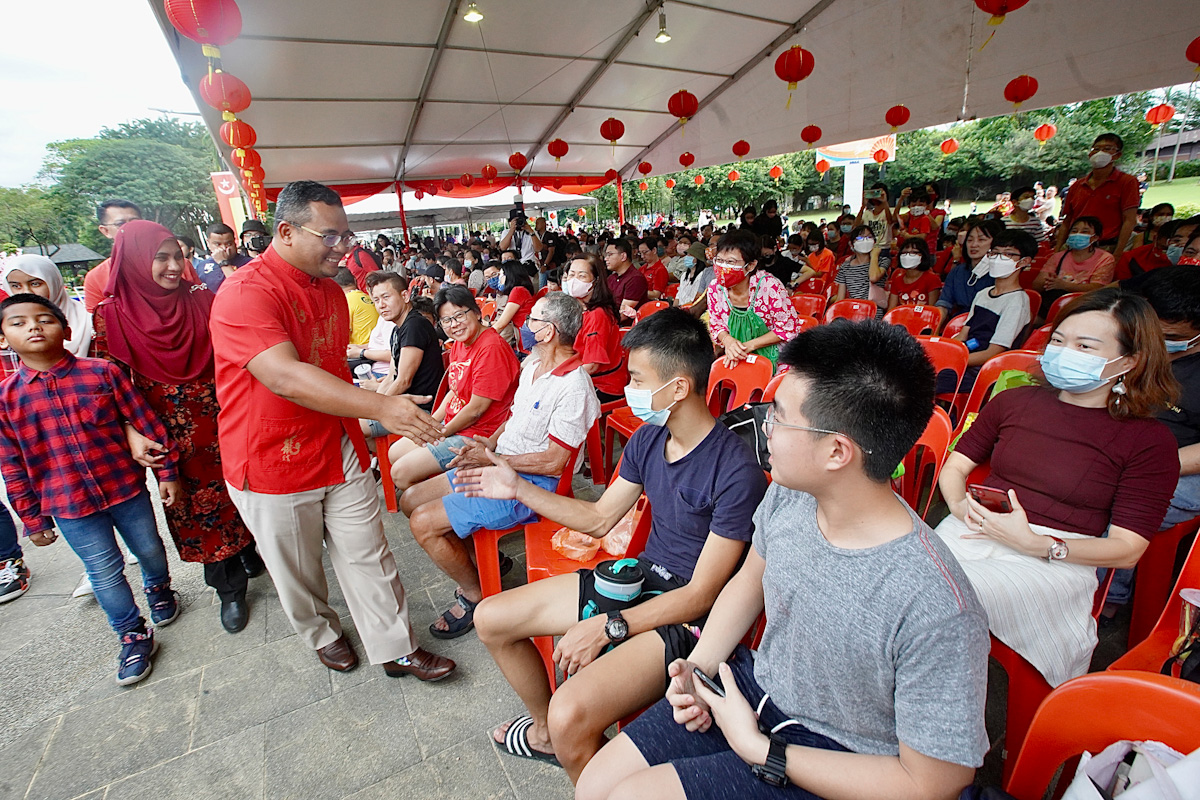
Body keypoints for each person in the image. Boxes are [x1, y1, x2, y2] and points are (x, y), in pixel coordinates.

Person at [576, 320, 989, 800]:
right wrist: (699, 667)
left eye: (778, 416)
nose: (762, 426)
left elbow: (935, 782)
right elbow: (749, 582)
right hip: (754, 691)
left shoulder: (937, 605)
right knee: (595, 787)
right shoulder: (792, 497)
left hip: (844, 755)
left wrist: (761, 749)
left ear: (837, 450)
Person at [454, 307, 768, 780]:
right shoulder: (648, 439)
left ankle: (585, 760)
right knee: (491, 618)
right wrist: (517, 487)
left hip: (691, 620)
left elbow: (702, 595)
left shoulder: (735, 471)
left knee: (571, 715)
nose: (630, 389)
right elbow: (599, 519)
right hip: (639, 581)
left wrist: (610, 626)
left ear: (678, 387)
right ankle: (545, 735)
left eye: (638, 379)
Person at [208, 180, 455, 680]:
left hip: (336, 443)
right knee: (297, 571)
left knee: (369, 552)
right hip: (271, 454)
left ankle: (397, 646)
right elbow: (284, 375)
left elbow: (332, 366)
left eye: (347, 236)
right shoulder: (243, 293)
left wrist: (367, 413)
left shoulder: (333, 293)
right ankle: (323, 632)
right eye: (331, 236)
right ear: (286, 231)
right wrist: (381, 408)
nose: (344, 248)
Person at [935, 288, 1178, 686]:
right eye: (1059, 341)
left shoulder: (1148, 442)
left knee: (937, 595)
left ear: (1129, 360)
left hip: (1056, 559)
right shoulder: (1013, 401)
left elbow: (1128, 549)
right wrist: (962, 508)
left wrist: (1038, 544)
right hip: (974, 528)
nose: (1065, 353)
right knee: (895, 575)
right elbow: (955, 467)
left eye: (1085, 346)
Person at [0, 293, 183, 685]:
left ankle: (160, 588)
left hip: (124, 489)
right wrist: (32, 519)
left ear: (66, 330)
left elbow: (144, 421)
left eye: (43, 319)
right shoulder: (6, 398)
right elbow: (11, 463)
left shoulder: (102, 373)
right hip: (68, 505)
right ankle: (132, 634)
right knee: (103, 570)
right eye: (18, 322)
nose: (33, 327)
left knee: (149, 548)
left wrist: (167, 472)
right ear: (3, 339)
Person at [401, 292, 601, 639]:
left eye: (533, 319)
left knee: (423, 522)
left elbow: (554, 463)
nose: (525, 324)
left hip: (528, 484)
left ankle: (475, 594)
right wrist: (487, 444)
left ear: (549, 331)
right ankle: (479, 562)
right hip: (499, 463)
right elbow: (514, 417)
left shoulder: (573, 386)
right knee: (410, 499)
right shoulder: (533, 364)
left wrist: (493, 459)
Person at [95, 220, 262, 633]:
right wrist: (132, 432)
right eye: (160, 258)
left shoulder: (203, 300)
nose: (173, 266)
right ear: (132, 262)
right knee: (197, 509)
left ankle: (249, 549)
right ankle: (229, 590)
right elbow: (109, 385)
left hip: (227, 417)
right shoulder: (110, 317)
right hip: (169, 436)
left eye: (177, 256)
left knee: (245, 490)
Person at [388, 285, 519, 492]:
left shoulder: (491, 347)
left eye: (459, 315)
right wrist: (433, 425)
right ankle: (440, 489)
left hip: (478, 433)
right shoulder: (460, 342)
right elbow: (454, 392)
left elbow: (476, 410)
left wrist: (440, 433)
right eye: (446, 320)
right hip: (456, 424)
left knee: (401, 473)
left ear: (476, 312)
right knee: (394, 453)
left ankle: (448, 506)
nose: (454, 325)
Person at [944, 230, 1035, 393]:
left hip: (985, 370)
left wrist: (955, 360)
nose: (998, 259)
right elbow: (963, 335)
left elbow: (993, 353)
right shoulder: (982, 294)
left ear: (1024, 261)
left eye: (1007, 254)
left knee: (921, 380)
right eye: (995, 253)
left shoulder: (1017, 301)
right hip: (967, 360)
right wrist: (945, 354)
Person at [359, 272, 445, 442]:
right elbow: (392, 375)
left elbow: (403, 380)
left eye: (386, 297)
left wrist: (378, 408)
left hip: (419, 409)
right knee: (352, 418)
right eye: (376, 300)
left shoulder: (415, 325)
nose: (381, 305)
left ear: (405, 296)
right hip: (401, 403)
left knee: (350, 428)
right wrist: (375, 404)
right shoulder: (398, 329)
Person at [707, 230, 801, 369]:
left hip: (775, 358)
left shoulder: (770, 287)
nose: (723, 267)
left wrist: (749, 345)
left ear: (750, 265)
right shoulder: (715, 288)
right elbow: (716, 323)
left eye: (730, 262)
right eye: (720, 261)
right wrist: (728, 341)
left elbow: (787, 327)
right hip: (736, 357)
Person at [1056, 133, 1140, 256]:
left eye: (1107, 149)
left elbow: (1129, 220)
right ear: (1090, 154)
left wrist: (1117, 254)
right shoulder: (1077, 186)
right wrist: (1057, 250)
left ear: (1117, 155)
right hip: (1073, 247)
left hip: (1106, 247)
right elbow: (1067, 221)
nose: (1100, 153)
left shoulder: (1127, 182)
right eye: (1096, 149)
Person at [563, 254, 628, 403]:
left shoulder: (598, 315)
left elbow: (592, 366)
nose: (574, 281)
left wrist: (561, 380)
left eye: (582, 276)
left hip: (603, 385)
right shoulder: (579, 309)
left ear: (596, 280)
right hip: (583, 376)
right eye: (571, 275)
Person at [3, 255, 94, 356]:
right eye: (16, 286)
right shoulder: (7, 329)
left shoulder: (90, 323)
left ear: (54, 282)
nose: (27, 292)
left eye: (35, 284)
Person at [1034, 216, 1116, 307]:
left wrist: (1064, 285)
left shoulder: (1105, 259)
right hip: (1053, 302)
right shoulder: (1058, 257)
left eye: (1084, 232)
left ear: (1095, 238)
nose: (1078, 234)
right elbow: (1037, 285)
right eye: (1074, 231)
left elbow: (1097, 288)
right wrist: (1048, 282)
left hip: (1085, 304)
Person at [936, 218, 1004, 323]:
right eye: (970, 240)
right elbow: (944, 303)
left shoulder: (1000, 274)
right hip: (958, 323)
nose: (973, 245)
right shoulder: (957, 272)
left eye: (981, 240)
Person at [83, 199, 142, 312]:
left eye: (135, 222)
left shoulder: (175, 266)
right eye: (120, 224)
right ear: (105, 231)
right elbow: (100, 322)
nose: (130, 228)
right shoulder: (95, 277)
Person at [832, 225, 889, 315]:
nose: (865, 240)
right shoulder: (845, 266)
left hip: (873, 313)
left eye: (869, 237)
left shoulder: (882, 261)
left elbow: (873, 277)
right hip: (853, 312)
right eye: (860, 237)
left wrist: (874, 256)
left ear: (874, 241)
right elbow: (840, 298)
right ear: (851, 244)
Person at [885, 238, 942, 309]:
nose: (908, 256)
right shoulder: (897, 280)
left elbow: (933, 310)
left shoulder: (932, 279)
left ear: (923, 255)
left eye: (913, 252)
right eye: (904, 253)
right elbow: (891, 309)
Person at [197, 222, 252, 293]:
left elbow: (241, 289)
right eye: (217, 244)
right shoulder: (201, 267)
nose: (223, 248)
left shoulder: (249, 263)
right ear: (208, 243)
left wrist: (223, 262)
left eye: (229, 244)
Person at [491, 261, 536, 344]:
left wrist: (484, 338)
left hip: (524, 345)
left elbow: (501, 324)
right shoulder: (521, 290)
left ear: (509, 275)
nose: (499, 278)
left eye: (501, 275)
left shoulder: (518, 291)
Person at [334, 267, 380, 348]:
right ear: (355, 280)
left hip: (361, 351)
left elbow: (340, 334)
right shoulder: (368, 297)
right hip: (377, 346)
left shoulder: (345, 302)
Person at [606, 238, 649, 323]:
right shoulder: (611, 278)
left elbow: (623, 315)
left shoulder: (636, 279)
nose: (606, 259)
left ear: (623, 256)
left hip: (626, 329)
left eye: (610, 254)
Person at [674, 240, 713, 315]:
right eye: (687, 254)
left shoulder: (702, 275)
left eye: (691, 255)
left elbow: (696, 299)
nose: (687, 257)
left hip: (691, 311)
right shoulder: (684, 275)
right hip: (680, 310)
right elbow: (678, 295)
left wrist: (682, 309)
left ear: (698, 258)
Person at [855, 183, 895, 250]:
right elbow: (856, 225)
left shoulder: (890, 211)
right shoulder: (867, 213)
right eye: (873, 194)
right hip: (869, 246)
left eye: (879, 193)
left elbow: (890, 221)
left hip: (884, 247)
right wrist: (863, 206)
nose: (876, 197)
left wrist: (884, 201)